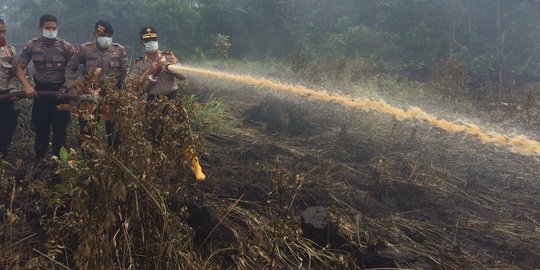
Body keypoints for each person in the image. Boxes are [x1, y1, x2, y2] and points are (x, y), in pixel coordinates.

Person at [130, 26, 205, 181]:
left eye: (153, 39)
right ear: (141, 42)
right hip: (153, 103)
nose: (151, 42)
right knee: (153, 138)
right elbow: (134, 86)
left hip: (172, 99)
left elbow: (184, 75)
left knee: (183, 134)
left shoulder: (169, 56)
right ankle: (153, 171)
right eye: (147, 40)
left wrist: (171, 69)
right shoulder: (138, 63)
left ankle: (196, 168)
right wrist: (150, 70)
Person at [15, 14, 75, 171]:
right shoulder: (32, 46)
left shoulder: (65, 46)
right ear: (40, 28)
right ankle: (39, 160)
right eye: (48, 28)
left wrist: (66, 87)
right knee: (41, 128)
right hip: (40, 92)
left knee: (60, 130)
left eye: (54, 28)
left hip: (61, 94)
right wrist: (27, 86)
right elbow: (19, 68)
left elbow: (74, 69)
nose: (51, 31)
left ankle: (59, 164)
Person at [65, 19, 129, 148]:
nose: (106, 39)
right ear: (95, 34)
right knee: (87, 133)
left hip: (111, 98)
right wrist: (71, 86)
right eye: (103, 36)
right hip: (89, 98)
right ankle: (88, 162)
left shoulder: (119, 50)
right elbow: (71, 67)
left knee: (114, 134)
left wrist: (122, 91)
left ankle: (113, 161)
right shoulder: (85, 49)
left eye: (109, 36)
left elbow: (125, 72)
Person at [0, 18, 20, 159]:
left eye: (3, 31)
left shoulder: (10, 51)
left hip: (5, 95)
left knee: (7, 127)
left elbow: (13, 74)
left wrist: (13, 89)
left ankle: (3, 155)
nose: (1, 34)